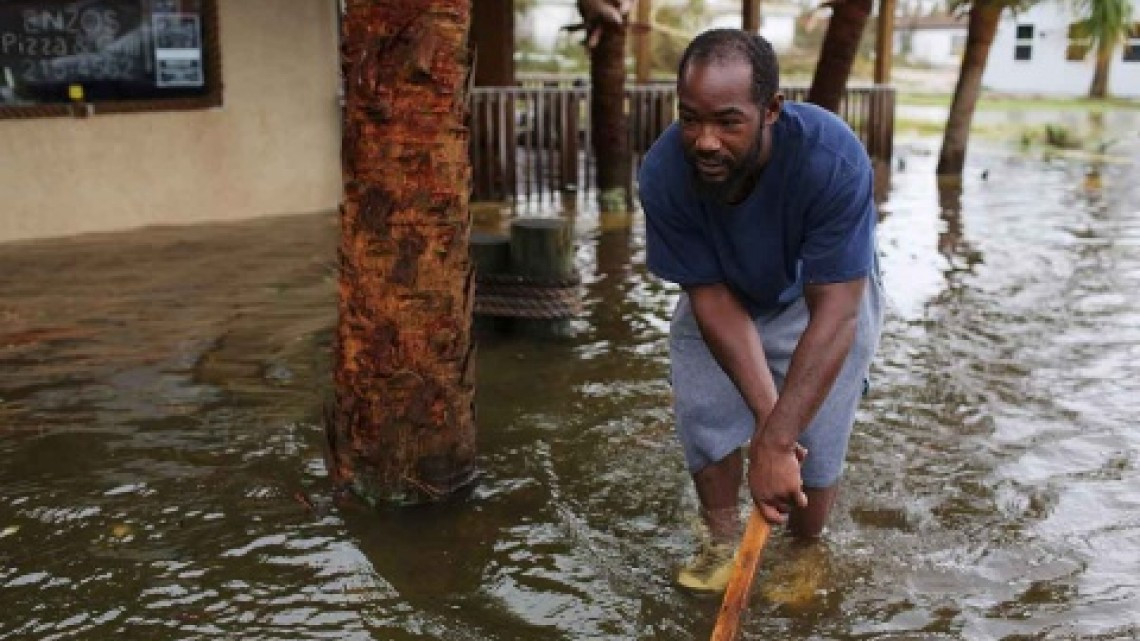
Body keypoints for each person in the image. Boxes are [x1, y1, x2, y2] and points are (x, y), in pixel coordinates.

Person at [638, 29, 884, 592]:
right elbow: (709, 299)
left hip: (822, 296)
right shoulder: (664, 173)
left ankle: (804, 550)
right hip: (724, 289)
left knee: (819, 429)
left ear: (771, 109)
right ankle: (720, 540)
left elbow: (837, 315)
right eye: (690, 119)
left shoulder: (831, 159)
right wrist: (772, 428)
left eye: (728, 122)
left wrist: (779, 441)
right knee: (704, 411)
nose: (705, 141)